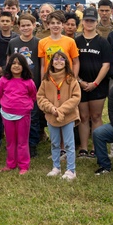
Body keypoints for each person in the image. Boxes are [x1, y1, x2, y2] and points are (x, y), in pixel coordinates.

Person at [38, 51, 81, 181]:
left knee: (69, 144)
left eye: (62, 59)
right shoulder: (46, 80)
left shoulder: (71, 79)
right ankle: (56, 167)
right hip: (52, 116)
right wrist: (51, 109)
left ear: (66, 62)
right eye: (56, 59)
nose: (58, 61)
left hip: (68, 116)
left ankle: (71, 170)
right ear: (51, 62)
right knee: (55, 143)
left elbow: (76, 97)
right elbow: (40, 97)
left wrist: (61, 110)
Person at [75, 7, 111, 158]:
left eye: (92, 20)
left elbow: (106, 64)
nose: (89, 23)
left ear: (97, 22)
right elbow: (73, 63)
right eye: (87, 20)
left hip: (98, 85)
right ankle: (83, 148)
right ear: (82, 22)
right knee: (83, 117)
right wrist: (80, 81)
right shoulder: (76, 41)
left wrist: (95, 83)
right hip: (81, 85)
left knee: (96, 116)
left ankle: (96, 148)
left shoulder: (102, 42)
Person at [7, 13, 44, 157]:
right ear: (18, 27)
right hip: (16, 86)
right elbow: (9, 62)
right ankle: (18, 142)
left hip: (33, 85)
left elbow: (42, 64)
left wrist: (41, 83)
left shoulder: (39, 42)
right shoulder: (13, 43)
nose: (26, 28)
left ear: (34, 26)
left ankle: (32, 144)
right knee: (17, 115)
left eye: (28, 25)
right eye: (23, 25)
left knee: (33, 116)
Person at [0, 54, 37, 174]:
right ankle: (11, 164)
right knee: (10, 141)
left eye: (19, 63)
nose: (16, 66)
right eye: (13, 63)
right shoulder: (3, 80)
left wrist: (25, 106)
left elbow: (33, 96)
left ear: (24, 66)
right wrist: (7, 105)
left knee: (22, 141)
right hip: (7, 114)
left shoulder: (29, 82)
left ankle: (24, 166)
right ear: (9, 65)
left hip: (23, 115)